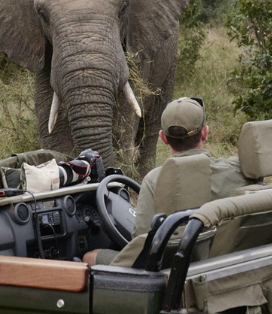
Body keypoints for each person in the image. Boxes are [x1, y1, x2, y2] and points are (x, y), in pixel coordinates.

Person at [82, 96, 248, 265]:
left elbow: (142, 246)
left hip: (173, 272)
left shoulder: (156, 180)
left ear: (163, 138)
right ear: (205, 132)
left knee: (90, 256)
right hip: (227, 262)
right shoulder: (238, 169)